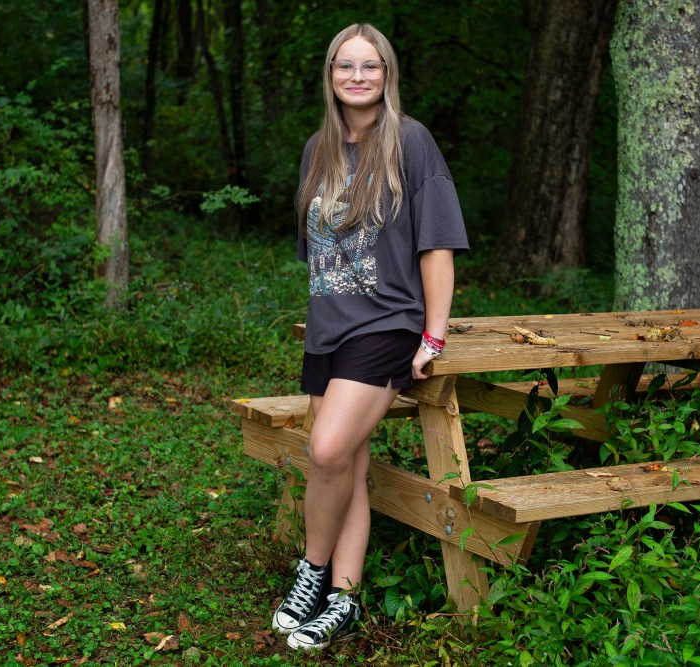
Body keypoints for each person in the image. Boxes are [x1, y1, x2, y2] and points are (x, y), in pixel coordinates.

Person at [270, 23, 469, 651]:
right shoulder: (318, 149)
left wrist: (434, 336)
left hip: (388, 324)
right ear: (330, 75)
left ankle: (311, 570)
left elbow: (437, 243)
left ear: (388, 73)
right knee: (348, 464)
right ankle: (344, 598)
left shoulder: (410, 141)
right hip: (329, 329)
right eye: (345, 66)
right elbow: (318, 252)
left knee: (326, 451)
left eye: (370, 65)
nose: (357, 77)